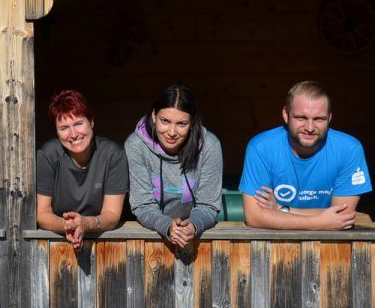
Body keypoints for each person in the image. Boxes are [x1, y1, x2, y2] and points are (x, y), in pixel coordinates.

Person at [239, 81, 371, 230]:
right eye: (301, 118)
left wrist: (282, 209)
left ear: (329, 118)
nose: (309, 128)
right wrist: (320, 222)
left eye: (318, 119)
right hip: (273, 245)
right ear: (286, 115)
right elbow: (255, 217)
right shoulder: (261, 147)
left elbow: (342, 217)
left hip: (331, 246)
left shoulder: (349, 149)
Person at [125, 84, 222, 247]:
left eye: (181, 124)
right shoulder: (135, 145)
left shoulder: (209, 146)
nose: (171, 132)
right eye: (165, 121)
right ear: (154, 116)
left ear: (192, 123)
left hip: (190, 238)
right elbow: (142, 204)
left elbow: (209, 205)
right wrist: (168, 226)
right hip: (145, 237)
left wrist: (193, 225)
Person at [36, 90, 128, 249]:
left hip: (106, 246)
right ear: (56, 132)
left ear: (91, 122)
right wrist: (68, 226)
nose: (73, 134)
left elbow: (112, 214)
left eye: (78, 124)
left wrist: (87, 223)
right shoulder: (47, 155)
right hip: (57, 246)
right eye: (64, 127)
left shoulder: (114, 154)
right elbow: (42, 213)